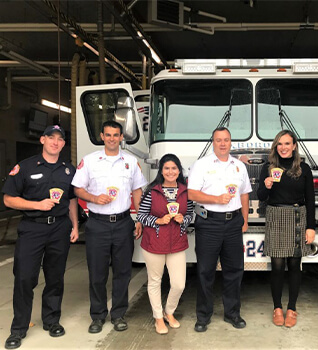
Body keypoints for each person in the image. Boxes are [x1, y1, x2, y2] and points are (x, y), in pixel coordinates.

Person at [3, 125, 78, 350]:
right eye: (51, 138)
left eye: (60, 139)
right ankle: (18, 328)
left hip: (59, 229)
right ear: (43, 140)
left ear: (64, 144)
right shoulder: (25, 167)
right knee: (25, 278)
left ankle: (51, 320)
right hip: (32, 228)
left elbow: (72, 200)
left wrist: (74, 225)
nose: (56, 142)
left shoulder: (68, 170)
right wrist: (36, 204)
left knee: (55, 277)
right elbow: (8, 199)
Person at [71, 120, 147, 334]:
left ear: (122, 137)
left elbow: (137, 191)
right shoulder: (90, 161)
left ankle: (118, 314)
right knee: (97, 272)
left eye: (116, 135)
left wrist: (139, 218)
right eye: (108, 135)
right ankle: (97, 316)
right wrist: (94, 198)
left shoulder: (131, 162)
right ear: (102, 137)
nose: (112, 138)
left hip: (124, 223)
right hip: (98, 224)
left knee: (123, 272)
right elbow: (77, 189)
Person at [188, 127, 252, 332]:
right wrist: (215, 199)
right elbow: (192, 194)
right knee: (205, 271)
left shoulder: (239, 166)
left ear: (231, 142)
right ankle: (203, 316)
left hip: (233, 223)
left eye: (226, 140)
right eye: (218, 140)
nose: (223, 143)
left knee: (234, 270)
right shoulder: (201, 165)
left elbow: (244, 194)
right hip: (209, 223)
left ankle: (232, 313)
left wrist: (245, 219)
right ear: (213, 142)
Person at [257, 130, 315, 328]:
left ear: (294, 146)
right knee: (278, 266)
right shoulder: (269, 167)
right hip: (275, 215)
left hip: (298, 216)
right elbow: (261, 195)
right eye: (280, 144)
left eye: (287, 144)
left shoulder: (304, 169)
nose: (283, 147)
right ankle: (277, 308)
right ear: (276, 146)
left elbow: (310, 200)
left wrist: (311, 227)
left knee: (294, 264)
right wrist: (266, 185)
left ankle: (292, 308)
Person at [137, 154, 194, 334]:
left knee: (179, 284)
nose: (170, 172)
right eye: (167, 168)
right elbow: (141, 215)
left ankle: (169, 312)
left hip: (177, 242)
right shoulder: (152, 191)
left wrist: (183, 220)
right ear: (161, 171)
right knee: (155, 281)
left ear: (179, 171)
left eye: (174, 168)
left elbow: (191, 214)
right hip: (154, 242)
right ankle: (158, 317)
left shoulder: (186, 191)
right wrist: (158, 221)